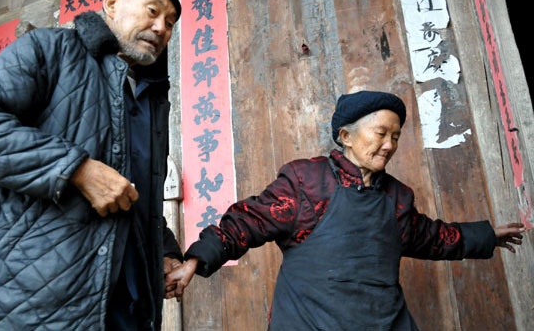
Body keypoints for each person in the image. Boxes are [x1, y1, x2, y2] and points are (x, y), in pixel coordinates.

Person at [0, 0, 185, 331]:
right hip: (23, 305)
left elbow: (132, 192)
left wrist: (161, 249)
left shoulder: (151, 100)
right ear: (112, 4)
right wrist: (77, 169)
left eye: (170, 22)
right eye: (152, 11)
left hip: (121, 311)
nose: (161, 27)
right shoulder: (49, 49)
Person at [165, 90, 525, 330]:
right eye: (380, 133)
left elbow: (432, 238)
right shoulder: (307, 182)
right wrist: (196, 261)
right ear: (346, 136)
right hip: (310, 322)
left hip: (384, 322)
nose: (389, 145)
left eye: (396, 136)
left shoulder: (397, 197)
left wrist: (485, 236)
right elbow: (247, 222)